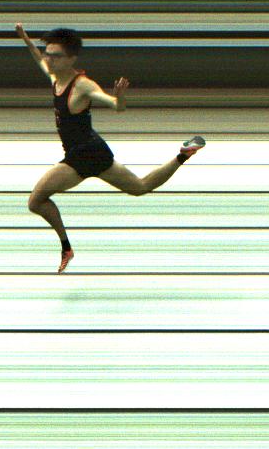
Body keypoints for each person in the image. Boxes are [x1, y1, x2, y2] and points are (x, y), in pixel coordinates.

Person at [16, 24, 207, 271]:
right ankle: (183, 155)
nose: (49, 59)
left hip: (84, 155)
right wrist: (25, 39)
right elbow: (37, 58)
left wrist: (119, 97)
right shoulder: (55, 76)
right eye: (48, 54)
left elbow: (117, 106)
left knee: (35, 201)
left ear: (71, 59)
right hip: (91, 151)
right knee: (140, 187)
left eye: (55, 56)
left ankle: (66, 248)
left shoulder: (82, 85)